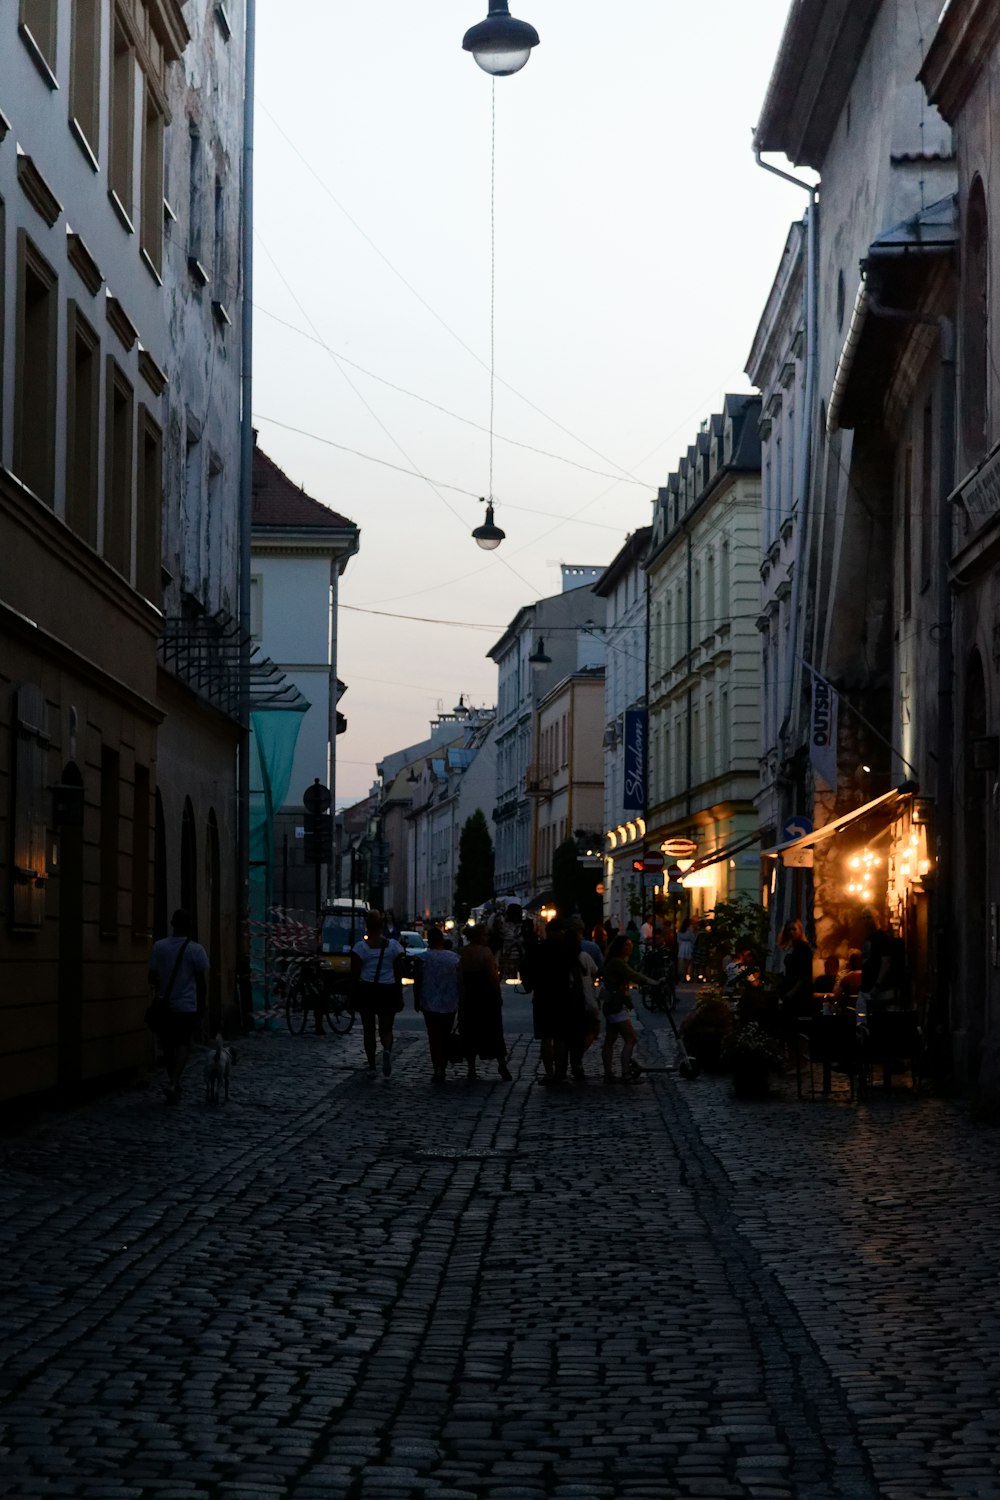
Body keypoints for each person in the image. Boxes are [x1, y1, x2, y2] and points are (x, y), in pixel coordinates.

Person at [148, 909, 209, 1104]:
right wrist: (202, 1005)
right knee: (183, 1043)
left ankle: (172, 1081)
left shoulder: (159, 947)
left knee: (167, 1045)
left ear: (172, 924)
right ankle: (174, 1082)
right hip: (186, 1005)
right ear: (189, 926)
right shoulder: (196, 950)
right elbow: (201, 981)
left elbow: (152, 976)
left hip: (164, 1004)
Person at [350, 910, 406, 1078]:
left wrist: (351, 996)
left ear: (367, 926)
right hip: (388, 989)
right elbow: (399, 973)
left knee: (368, 1029)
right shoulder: (394, 947)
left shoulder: (360, 948)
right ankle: (387, 1050)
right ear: (382, 926)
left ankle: (372, 1063)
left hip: (367, 989)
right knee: (386, 1027)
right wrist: (399, 993)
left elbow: (354, 974)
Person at [600, 934, 660, 1082]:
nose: (630, 947)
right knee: (630, 1038)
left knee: (610, 1039)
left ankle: (609, 1073)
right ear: (620, 947)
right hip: (616, 1005)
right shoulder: (617, 962)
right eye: (626, 945)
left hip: (612, 1004)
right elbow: (633, 975)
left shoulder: (616, 961)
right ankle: (625, 1072)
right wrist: (652, 982)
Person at [458, 925, 511, 1081]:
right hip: (485, 994)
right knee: (493, 1030)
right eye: (485, 935)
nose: (487, 938)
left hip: (469, 995)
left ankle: (471, 1068)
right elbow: (492, 976)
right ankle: (502, 1064)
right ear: (479, 936)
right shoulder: (485, 952)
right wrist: (498, 994)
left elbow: (460, 977)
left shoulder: (462, 952)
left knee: (470, 1030)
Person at [531, 917, 579, 1084]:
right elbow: (575, 969)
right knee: (560, 1037)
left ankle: (549, 1073)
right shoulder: (566, 950)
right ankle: (560, 1072)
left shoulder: (539, 949)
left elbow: (526, 969)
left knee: (545, 1037)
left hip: (542, 996)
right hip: (562, 995)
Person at [416, 927, 460, 1084]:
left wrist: (416, 999)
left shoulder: (423, 958)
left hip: (429, 1001)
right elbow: (459, 980)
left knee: (434, 1036)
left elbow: (418, 980)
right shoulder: (454, 958)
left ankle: (438, 1068)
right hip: (449, 1001)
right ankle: (443, 1065)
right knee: (446, 1035)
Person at [777, 918, 814, 1045]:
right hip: (789, 992)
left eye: (794, 929)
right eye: (789, 930)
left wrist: (792, 992)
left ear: (799, 930)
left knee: (796, 1031)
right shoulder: (791, 948)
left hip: (798, 996)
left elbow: (804, 975)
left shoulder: (803, 948)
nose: (791, 932)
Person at [677, 917, 696, 982]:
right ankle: (688, 976)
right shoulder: (690, 929)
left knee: (684, 963)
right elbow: (692, 938)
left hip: (682, 946)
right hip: (688, 945)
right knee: (688, 962)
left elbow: (678, 939)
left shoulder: (681, 929)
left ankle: (684, 976)